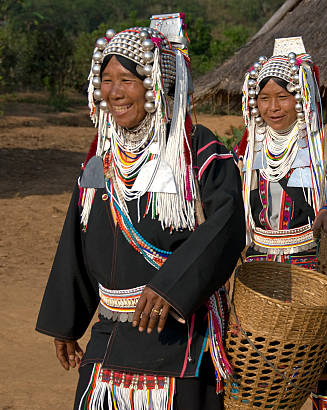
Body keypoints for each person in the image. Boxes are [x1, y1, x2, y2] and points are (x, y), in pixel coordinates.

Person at [35, 15, 245, 410]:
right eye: (107, 79)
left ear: (156, 86)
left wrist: (172, 285)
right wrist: (65, 321)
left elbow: (228, 222)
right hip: (109, 338)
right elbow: (78, 236)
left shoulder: (195, 149)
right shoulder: (100, 154)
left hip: (176, 337)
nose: (114, 91)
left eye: (127, 80)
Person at [235, 37, 327, 409]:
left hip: (314, 267)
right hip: (260, 268)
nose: (272, 107)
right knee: (264, 363)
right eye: (264, 98)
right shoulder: (247, 149)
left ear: (301, 97)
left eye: (282, 96)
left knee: (319, 364)